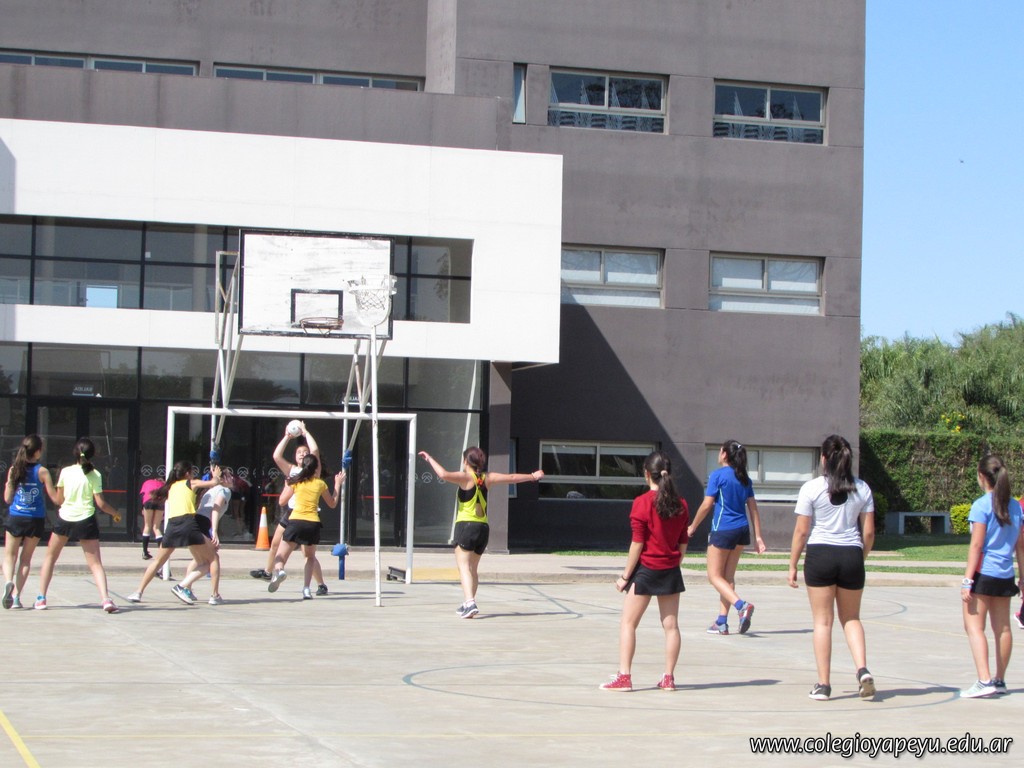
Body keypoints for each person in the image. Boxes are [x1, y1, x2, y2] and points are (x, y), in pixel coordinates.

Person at [788, 434, 876, 701]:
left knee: (822, 622)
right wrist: (860, 557)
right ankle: (862, 669)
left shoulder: (811, 488)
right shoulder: (862, 488)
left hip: (821, 555)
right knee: (851, 618)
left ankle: (824, 685)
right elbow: (869, 533)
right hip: (851, 554)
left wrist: (792, 564)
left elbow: (802, 532)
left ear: (823, 459)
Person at [600, 451, 689, 692]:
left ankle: (624, 677)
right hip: (670, 570)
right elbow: (683, 541)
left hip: (647, 570)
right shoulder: (681, 503)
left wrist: (625, 577)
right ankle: (668, 678)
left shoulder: (641, 503)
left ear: (647, 474)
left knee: (628, 623)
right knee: (671, 626)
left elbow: (637, 544)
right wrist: (675, 563)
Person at [418, 447, 544, 618]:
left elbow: (443, 474)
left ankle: (470, 602)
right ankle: (468, 603)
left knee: (464, 567)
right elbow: (512, 478)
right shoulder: (488, 477)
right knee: (473, 569)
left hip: (466, 526)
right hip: (483, 528)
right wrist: (533, 476)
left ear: (465, 461)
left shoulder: (465, 477)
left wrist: (430, 458)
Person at [959, 454, 1024, 698]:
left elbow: (976, 546)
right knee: (1003, 628)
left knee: (974, 626)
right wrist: (1022, 577)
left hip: (983, 573)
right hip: (1005, 574)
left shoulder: (981, 505)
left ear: (981, 476)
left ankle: (984, 680)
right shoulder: (1015, 506)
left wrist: (967, 580)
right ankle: (999, 680)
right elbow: (1020, 546)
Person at [687, 439, 765, 635]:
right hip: (742, 530)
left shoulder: (718, 475)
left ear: (724, 454)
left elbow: (707, 504)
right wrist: (758, 537)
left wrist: (692, 526)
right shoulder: (744, 478)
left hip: (723, 529)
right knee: (728, 577)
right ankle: (721, 622)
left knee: (714, 576)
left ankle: (741, 606)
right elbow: (753, 508)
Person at [35, 437, 121, 613]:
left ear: (75, 453)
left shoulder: (65, 472)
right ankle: (106, 599)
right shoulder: (95, 474)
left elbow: (59, 500)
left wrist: (51, 490)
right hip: (86, 520)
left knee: (50, 558)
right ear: (92, 455)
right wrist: (116, 513)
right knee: (95, 564)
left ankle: (41, 598)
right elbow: (101, 504)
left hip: (65, 518)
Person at [126, 461, 220, 606]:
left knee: (158, 562)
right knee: (212, 559)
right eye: (192, 471)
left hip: (172, 526)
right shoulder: (190, 483)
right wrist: (216, 476)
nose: (194, 474)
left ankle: (138, 592)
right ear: (187, 473)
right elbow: (213, 483)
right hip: (188, 524)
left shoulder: (170, 487)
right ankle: (206, 593)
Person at [251, 424, 329, 596]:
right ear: (295, 456)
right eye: (299, 452)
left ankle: (321, 584)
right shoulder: (292, 470)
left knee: (307, 554)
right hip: (291, 513)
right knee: (275, 544)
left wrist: (306, 433)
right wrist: (287, 436)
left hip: (306, 514)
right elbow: (276, 456)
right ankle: (269, 572)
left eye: (305, 452)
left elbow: (315, 450)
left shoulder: (314, 472)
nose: (302, 453)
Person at [267, 453, 345, 598]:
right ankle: (306, 589)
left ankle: (280, 571)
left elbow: (282, 501)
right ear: (316, 469)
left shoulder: (296, 481)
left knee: (280, 556)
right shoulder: (320, 484)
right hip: (313, 523)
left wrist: (287, 485)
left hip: (295, 521)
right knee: (310, 557)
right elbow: (333, 503)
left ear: (303, 467)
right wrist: (337, 484)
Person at [3, 435, 60, 610]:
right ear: (37, 452)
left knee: (10, 556)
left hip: (16, 516)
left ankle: (8, 581)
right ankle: (16, 597)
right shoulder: (42, 471)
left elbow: (7, 499)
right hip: (35, 519)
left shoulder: (14, 470)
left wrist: (9, 484)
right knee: (25, 560)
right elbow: (54, 498)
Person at [183, 467, 234, 605]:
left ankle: (187, 589)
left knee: (198, 559)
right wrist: (214, 531)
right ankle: (214, 594)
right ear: (222, 479)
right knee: (213, 558)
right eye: (229, 476)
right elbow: (216, 509)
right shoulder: (224, 490)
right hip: (203, 524)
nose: (232, 478)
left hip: (194, 523)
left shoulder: (210, 490)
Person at [139, 475, 165, 560]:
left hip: (148, 501)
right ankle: (161, 552)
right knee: (156, 527)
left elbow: (141, 495)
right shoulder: (163, 485)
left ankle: (145, 552)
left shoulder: (147, 482)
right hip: (159, 502)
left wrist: (142, 508)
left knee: (147, 526)